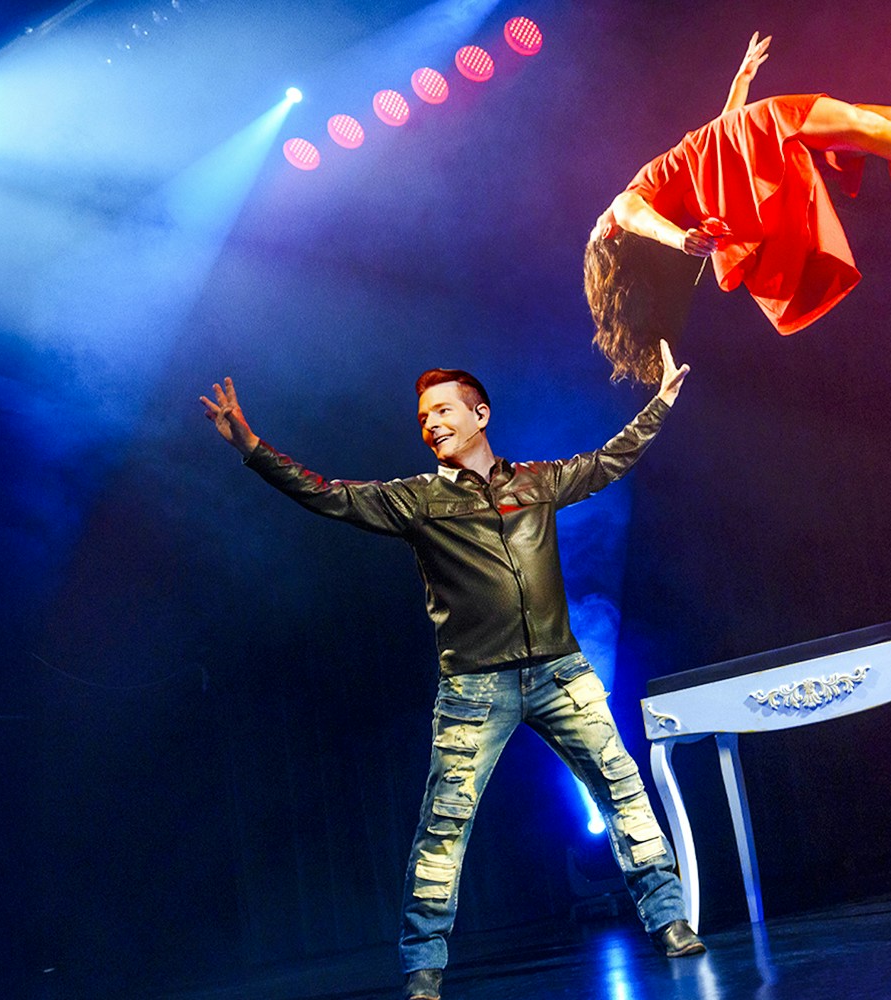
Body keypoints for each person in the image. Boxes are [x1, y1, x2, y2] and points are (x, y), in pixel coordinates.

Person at [200, 341, 703, 1000]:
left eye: (443, 410)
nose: (431, 423)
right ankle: (423, 970)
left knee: (624, 793)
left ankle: (669, 921)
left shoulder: (536, 481)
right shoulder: (416, 500)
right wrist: (251, 447)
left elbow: (609, 460)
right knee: (443, 829)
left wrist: (660, 402)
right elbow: (324, 494)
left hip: (560, 673)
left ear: (480, 414)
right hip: (475, 687)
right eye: (423, 418)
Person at [585, 32, 891, 383]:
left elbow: (711, 142)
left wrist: (740, 80)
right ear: (607, 239)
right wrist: (680, 239)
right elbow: (631, 213)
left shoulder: (654, 194)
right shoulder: (624, 212)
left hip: (737, 148)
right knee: (863, 125)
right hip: (750, 137)